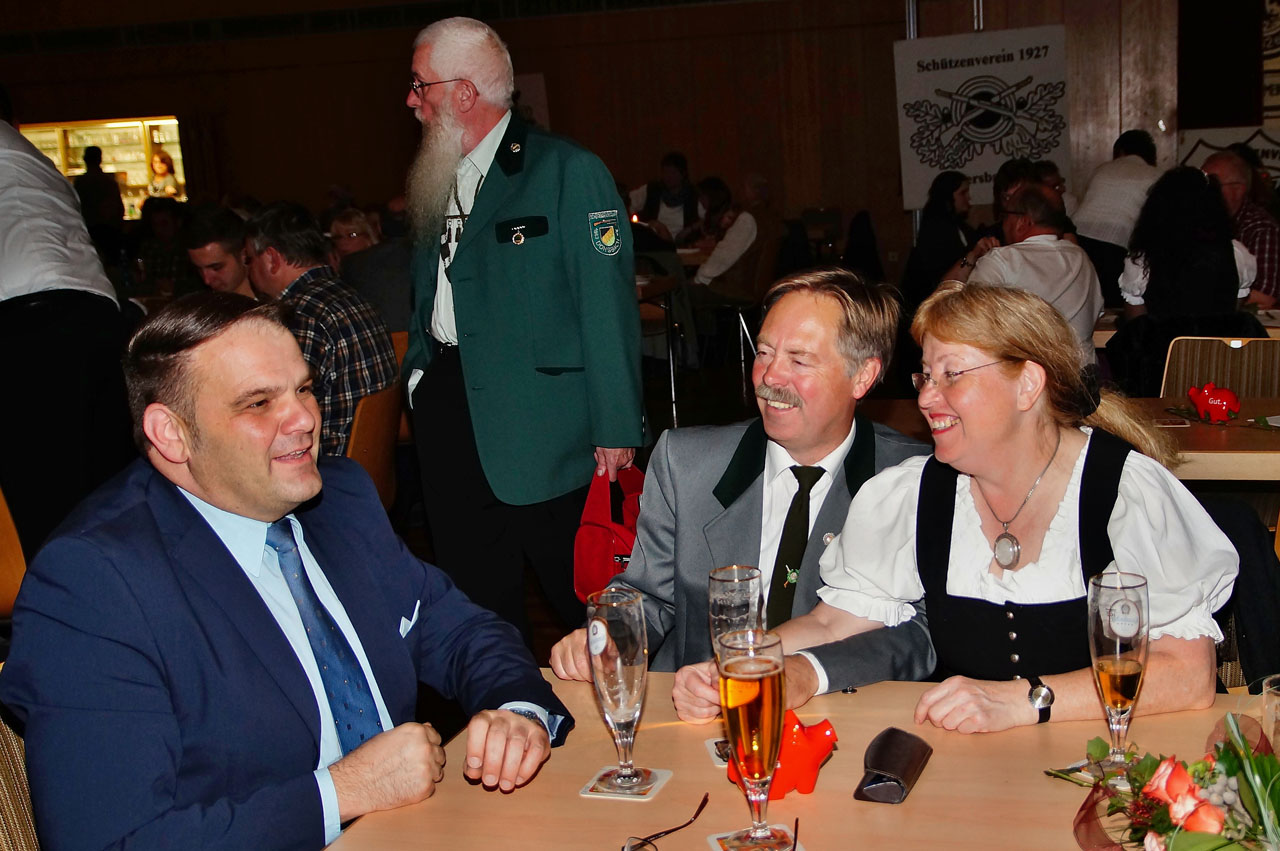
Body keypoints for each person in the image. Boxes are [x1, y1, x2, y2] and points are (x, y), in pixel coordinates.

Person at [0, 293, 572, 849]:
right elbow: (111, 839)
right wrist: (344, 792)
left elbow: (460, 630)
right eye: (258, 403)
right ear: (171, 433)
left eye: (303, 388)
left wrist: (517, 711)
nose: (304, 418)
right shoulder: (93, 580)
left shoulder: (339, 498)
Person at [772, 281, 1237, 733]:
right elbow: (832, 623)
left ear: (1028, 385)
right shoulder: (916, 495)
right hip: (980, 769)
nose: (926, 398)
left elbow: (1187, 674)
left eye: (952, 375)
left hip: (1116, 762)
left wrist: (1023, 700)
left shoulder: (1124, 492)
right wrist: (746, 657)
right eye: (926, 376)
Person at [550, 269, 935, 720]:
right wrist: (607, 637)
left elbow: (922, 633)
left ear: (862, 376)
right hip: (693, 716)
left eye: (799, 360)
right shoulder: (686, 464)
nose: (769, 376)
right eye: (764, 352)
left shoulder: (912, 479)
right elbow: (648, 596)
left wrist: (808, 672)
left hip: (842, 717)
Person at [402, 17, 644, 638]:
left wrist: (616, 426)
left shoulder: (565, 171)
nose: (411, 100)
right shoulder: (436, 172)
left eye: (420, 84)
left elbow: (605, 305)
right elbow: (430, 288)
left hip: (545, 427)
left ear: (463, 93)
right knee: (476, 606)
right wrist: (420, 377)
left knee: (586, 609)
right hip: (450, 410)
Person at [0, 94, 135, 561]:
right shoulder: (38, 163)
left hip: (32, 321)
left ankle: (59, 597)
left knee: (44, 498)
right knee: (102, 485)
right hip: (97, 315)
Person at [244, 202, 397, 456]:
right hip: (372, 464)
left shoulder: (300, 314)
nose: (248, 270)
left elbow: (276, 410)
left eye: (249, 259)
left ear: (271, 259)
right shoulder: (353, 296)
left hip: (327, 465)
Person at [945, 182, 1103, 365]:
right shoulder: (1080, 257)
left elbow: (965, 321)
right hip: (1083, 375)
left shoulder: (1001, 261)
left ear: (1022, 222)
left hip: (1026, 378)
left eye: (1006, 216)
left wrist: (973, 257)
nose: (1003, 224)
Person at [1120, 166, 1254, 320]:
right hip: (1217, 337)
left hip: (1165, 336)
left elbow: (1136, 323)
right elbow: (1231, 316)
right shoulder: (1236, 254)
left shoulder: (1143, 259)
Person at [1073, 130, 1160, 307]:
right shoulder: (1155, 175)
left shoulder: (1102, 169)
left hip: (1078, 237)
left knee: (1084, 299)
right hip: (1118, 241)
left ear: (1120, 151)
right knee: (1114, 302)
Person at [1203, 150, 1280, 309]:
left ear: (1239, 189)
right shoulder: (1200, 223)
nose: (1203, 192)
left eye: (1212, 185)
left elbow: (1266, 296)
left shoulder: (1261, 229)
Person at [900, 171, 976, 311]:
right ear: (948, 196)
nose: (968, 198)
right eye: (963, 193)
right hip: (936, 304)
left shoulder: (960, 227)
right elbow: (939, 274)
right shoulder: (935, 229)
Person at [629, 151, 701, 244]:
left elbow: (706, 219)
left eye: (673, 172)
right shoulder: (652, 190)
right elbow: (628, 203)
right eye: (665, 172)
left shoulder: (693, 195)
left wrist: (690, 229)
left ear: (683, 174)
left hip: (685, 245)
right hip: (654, 244)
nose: (668, 177)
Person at [183, 206, 255, 299]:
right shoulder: (201, 300)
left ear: (244, 255)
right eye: (199, 269)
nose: (207, 280)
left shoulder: (268, 303)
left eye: (216, 268)